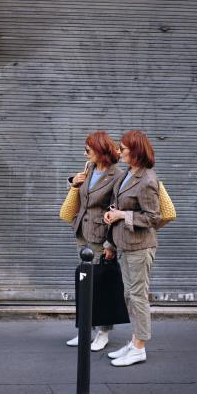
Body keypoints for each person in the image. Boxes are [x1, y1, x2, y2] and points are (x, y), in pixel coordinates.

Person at [104, 130, 160, 367]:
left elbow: (153, 218)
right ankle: (135, 340)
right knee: (130, 295)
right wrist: (112, 217)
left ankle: (139, 348)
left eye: (123, 148)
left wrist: (122, 215)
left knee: (138, 297)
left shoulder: (147, 180)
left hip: (139, 247)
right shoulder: (128, 173)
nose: (118, 152)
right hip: (125, 244)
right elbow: (119, 203)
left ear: (135, 151)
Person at [66, 131, 122, 351]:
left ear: (100, 150)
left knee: (102, 286)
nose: (85, 153)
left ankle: (103, 332)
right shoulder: (89, 168)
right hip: (82, 233)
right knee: (84, 284)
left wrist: (111, 244)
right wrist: (73, 181)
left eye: (88, 150)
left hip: (101, 237)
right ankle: (84, 330)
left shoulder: (117, 176)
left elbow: (117, 210)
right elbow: (83, 194)